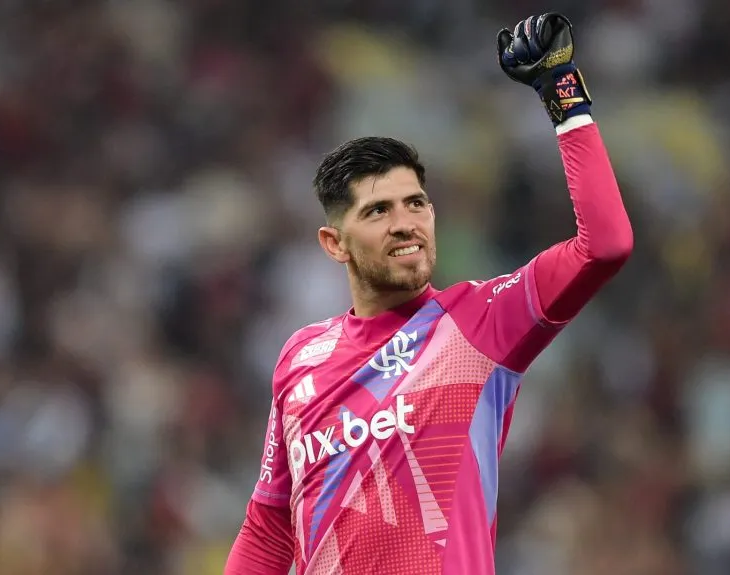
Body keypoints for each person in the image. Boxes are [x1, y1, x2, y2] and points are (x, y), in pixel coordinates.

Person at [224, 12, 634, 574]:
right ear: (333, 243)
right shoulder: (300, 358)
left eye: (416, 203)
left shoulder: (480, 321)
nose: (405, 223)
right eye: (378, 211)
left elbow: (604, 246)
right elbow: (268, 529)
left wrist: (563, 94)